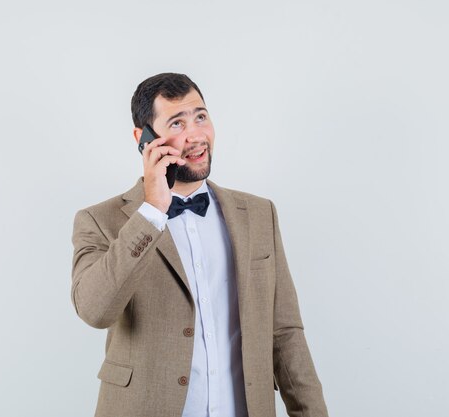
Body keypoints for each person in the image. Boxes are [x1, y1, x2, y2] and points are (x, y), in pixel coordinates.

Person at [71, 73, 328, 417]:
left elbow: (285, 334)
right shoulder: (101, 221)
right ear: (144, 139)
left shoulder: (258, 214)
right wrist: (151, 213)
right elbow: (94, 310)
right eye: (177, 123)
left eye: (201, 117)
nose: (196, 135)